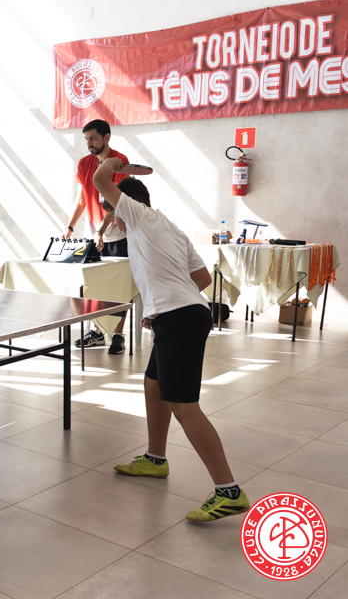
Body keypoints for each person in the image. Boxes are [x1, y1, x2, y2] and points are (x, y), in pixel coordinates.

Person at [93, 158, 250, 522]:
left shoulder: (139, 216)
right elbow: (202, 278)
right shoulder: (168, 228)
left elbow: (101, 178)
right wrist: (164, 302)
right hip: (181, 315)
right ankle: (155, 458)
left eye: (112, 211)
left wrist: (117, 164)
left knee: (184, 406)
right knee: (153, 384)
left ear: (126, 205)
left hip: (180, 321)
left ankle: (229, 492)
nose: (112, 220)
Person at [65, 119, 131, 354]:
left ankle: (118, 335)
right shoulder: (84, 163)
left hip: (116, 235)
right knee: (93, 286)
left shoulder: (119, 162)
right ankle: (96, 332)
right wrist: (70, 227)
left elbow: (115, 202)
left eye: (93, 138)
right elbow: (81, 199)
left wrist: (101, 231)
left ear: (107, 137)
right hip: (92, 236)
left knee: (119, 288)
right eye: (86, 139)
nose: (89, 143)